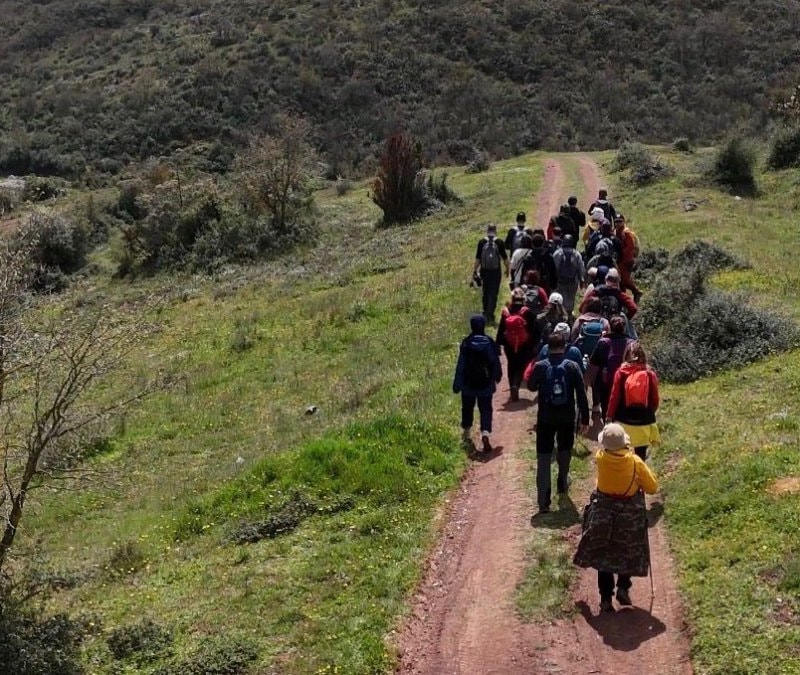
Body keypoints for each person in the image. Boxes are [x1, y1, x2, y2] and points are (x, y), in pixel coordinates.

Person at [573, 423, 658, 612]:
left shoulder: (600, 458)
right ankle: (623, 587)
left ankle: (605, 598)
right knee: (627, 551)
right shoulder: (635, 462)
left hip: (603, 512)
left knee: (603, 554)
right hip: (629, 515)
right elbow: (652, 487)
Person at [527, 333, 590, 513]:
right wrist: (585, 419)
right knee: (564, 450)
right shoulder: (572, 366)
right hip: (566, 417)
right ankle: (562, 481)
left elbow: (531, 386)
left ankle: (543, 502)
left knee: (544, 456)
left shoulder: (541, 366)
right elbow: (581, 394)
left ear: (548, 347)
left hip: (545, 418)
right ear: (564, 347)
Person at [453, 314, 503, 452]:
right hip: (486, 384)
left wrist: (457, 385)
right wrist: (497, 376)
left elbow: (461, 365)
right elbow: (495, 362)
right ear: (483, 326)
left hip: (468, 384)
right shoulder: (489, 342)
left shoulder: (466, 343)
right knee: (486, 409)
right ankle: (485, 433)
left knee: (467, 407)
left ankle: (466, 432)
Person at [607, 342, 660, 461]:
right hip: (644, 421)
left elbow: (614, 397)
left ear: (626, 356)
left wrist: (609, 416)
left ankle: (626, 471)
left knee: (622, 455)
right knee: (640, 456)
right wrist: (651, 412)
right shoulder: (649, 374)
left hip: (623, 420)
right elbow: (655, 399)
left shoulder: (621, 373)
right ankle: (639, 471)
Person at [584, 315, 632, 422]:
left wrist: (588, 382)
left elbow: (593, 365)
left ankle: (609, 429)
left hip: (606, 384)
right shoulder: (631, 343)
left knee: (607, 412)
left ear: (610, 327)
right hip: (626, 384)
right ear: (624, 327)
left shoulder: (603, 342)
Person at [496, 288, 540, 401]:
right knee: (521, 366)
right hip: (524, 345)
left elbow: (501, 329)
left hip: (509, 344)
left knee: (511, 365)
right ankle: (516, 384)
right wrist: (534, 345)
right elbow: (534, 330)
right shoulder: (528, 312)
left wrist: (498, 344)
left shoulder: (506, 312)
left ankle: (512, 386)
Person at [571, 298, 610, 421]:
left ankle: (580, 409)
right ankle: (596, 409)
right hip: (598, 359)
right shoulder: (604, 322)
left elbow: (573, 336)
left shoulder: (580, 320)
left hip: (582, 357)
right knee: (597, 383)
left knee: (582, 383)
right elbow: (607, 340)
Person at [473, 224, 509, 324]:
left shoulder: (482, 242)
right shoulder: (499, 242)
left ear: (487, 230)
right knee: (494, 293)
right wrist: (508, 269)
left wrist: (475, 271)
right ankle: (491, 314)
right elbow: (505, 258)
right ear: (495, 231)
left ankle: (485, 312)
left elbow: (478, 259)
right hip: (495, 272)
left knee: (485, 291)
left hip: (484, 271)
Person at [553, 234, 586, 318]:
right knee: (571, 297)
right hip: (573, 281)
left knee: (561, 297)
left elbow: (554, 268)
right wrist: (582, 280)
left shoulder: (557, 253)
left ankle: (562, 313)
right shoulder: (576, 254)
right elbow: (580, 268)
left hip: (560, 281)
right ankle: (569, 313)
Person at [613, 213, 642, 303]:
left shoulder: (626, 233)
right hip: (620, 259)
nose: (618, 223)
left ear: (623, 222)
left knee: (623, 278)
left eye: (620, 221)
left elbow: (630, 247)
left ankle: (636, 291)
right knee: (621, 280)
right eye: (616, 222)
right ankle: (623, 298)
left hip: (627, 259)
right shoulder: (616, 231)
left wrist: (621, 255)